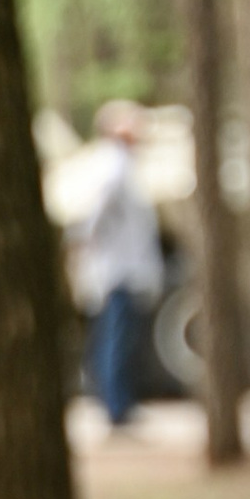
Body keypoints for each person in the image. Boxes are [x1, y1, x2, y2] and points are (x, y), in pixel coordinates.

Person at [67, 99, 166, 430]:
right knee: (116, 339)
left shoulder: (122, 164)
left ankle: (117, 402)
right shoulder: (113, 165)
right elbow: (98, 212)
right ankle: (115, 406)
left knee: (116, 337)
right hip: (116, 271)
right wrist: (87, 242)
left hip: (122, 268)